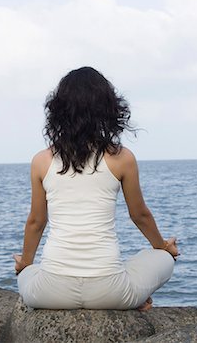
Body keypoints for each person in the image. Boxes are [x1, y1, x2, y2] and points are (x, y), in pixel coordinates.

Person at [13, 66, 179, 311]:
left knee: (29, 272)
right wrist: (163, 247)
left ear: (59, 111)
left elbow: (36, 221)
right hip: (110, 291)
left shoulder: (41, 161)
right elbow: (139, 215)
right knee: (162, 260)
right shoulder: (122, 158)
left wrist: (25, 263)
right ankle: (134, 299)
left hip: (50, 294)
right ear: (108, 108)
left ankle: (130, 295)